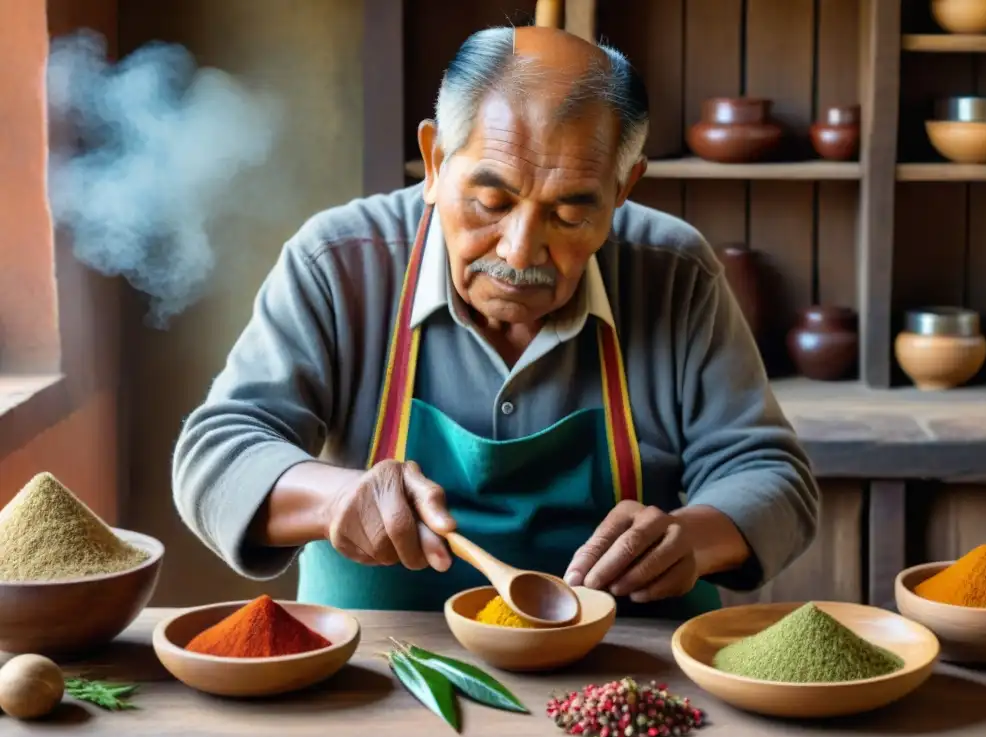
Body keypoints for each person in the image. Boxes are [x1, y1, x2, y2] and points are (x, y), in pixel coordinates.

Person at [172, 25, 819, 619]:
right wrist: (333, 499)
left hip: (625, 663)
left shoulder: (673, 272)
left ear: (623, 190)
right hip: (380, 670)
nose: (519, 250)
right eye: (490, 201)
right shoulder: (340, 263)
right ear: (433, 162)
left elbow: (772, 475)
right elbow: (216, 453)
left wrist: (694, 538)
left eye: (569, 215)